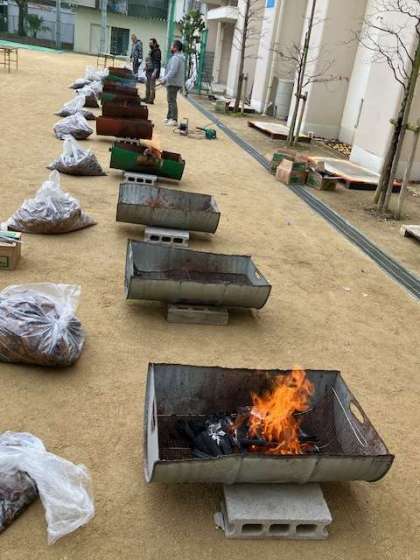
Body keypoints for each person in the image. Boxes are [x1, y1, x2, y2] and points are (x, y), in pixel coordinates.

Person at [160, 40, 185, 126]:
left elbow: (173, 71)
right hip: (175, 82)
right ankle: (169, 117)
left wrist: (164, 79)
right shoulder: (179, 57)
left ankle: (174, 119)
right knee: (170, 100)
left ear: (176, 48)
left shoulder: (176, 58)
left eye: (172, 46)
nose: (171, 48)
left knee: (171, 100)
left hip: (173, 82)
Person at [144, 38, 161, 105]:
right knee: (147, 85)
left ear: (155, 43)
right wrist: (146, 67)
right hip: (149, 70)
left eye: (151, 43)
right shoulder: (152, 50)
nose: (149, 44)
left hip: (153, 71)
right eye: (149, 43)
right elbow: (149, 60)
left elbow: (157, 62)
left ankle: (151, 99)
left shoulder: (157, 52)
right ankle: (147, 97)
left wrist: (155, 71)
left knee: (152, 86)